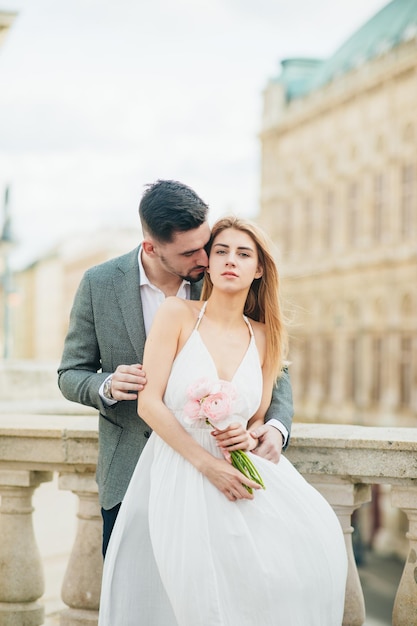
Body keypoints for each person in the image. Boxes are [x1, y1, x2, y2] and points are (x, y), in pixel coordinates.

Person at [98, 216, 348, 626]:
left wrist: (248, 434)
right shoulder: (177, 315)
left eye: (243, 253)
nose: (231, 260)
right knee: (191, 596)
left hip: (240, 476)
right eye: (221, 251)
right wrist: (207, 464)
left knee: (294, 570)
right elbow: (150, 404)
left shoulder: (268, 336)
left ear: (259, 268)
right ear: (208, 265)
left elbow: (256, 416)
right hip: (181, 472)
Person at [57, 179, 294, 557]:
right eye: (190, 253)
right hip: (130, 472)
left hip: (215, 480)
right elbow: (69, 374)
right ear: (151, 247)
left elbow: (269, 367)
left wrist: (273, 429)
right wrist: (108, 385)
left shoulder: (221, 277)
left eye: (206, 245)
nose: (204, 259)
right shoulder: (99, 284)